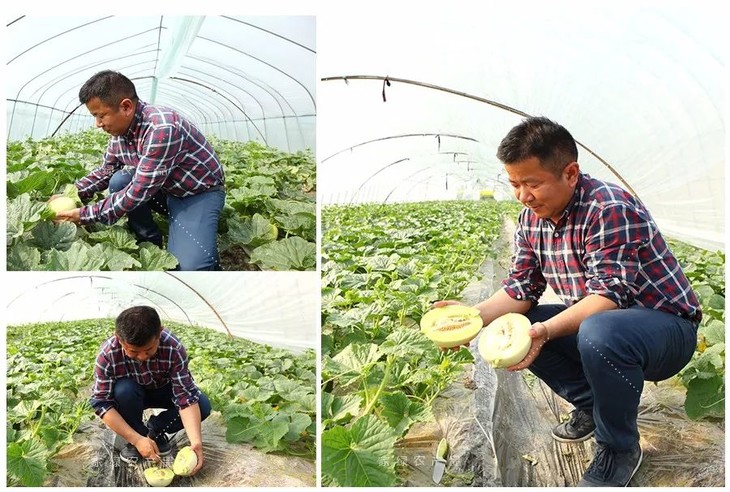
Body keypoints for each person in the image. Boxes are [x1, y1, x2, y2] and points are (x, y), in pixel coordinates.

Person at [435, 116, 701, 487]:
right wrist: (471, 318)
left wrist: (545, 331)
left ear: (570, 173)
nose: (523, 196)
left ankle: (619, 448)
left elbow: (609, 297)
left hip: (667, 331)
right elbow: (521, 287)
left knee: (594, 331)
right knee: (523, 326)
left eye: (532, 183)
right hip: (605, 325)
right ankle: (594, 406)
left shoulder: (607, 207)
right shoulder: (531, 220)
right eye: (515, 184)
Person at [54, 70, 226, 271]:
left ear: (126, 107)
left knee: (190, 269)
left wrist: (85, 214)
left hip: (196, 194)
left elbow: (139, 191)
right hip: (164, 189)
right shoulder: (119, 133)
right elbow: (105, 172)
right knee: (119, 180)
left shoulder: (162, 128)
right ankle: (150, 241)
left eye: (101, 116)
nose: (98, 124)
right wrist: (70, 193)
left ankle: (192, 233)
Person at [89, 305, 212, 471]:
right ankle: (138, 435)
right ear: (119, 339)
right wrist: (136, 439)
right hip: (130, 396)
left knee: (202, 405)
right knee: (124, 390)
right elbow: (102, 404)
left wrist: (196, 442)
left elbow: (185, 397)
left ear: (160, 333)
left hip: (163, 390)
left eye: (148, 350)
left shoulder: (173, 348)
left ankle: (155, 430)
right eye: (133, 351)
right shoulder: (107, 355)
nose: (142, 357)